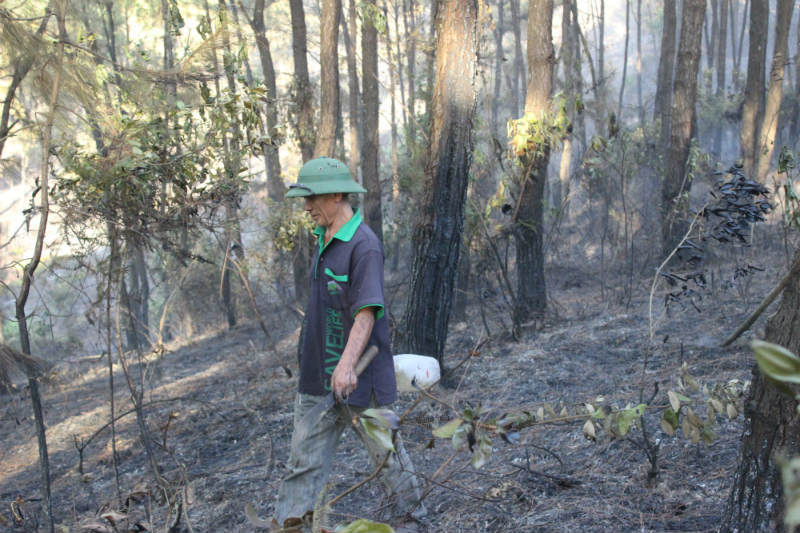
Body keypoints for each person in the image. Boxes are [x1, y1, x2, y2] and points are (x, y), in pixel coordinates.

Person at [273, 157, 425, 532]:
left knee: (389, 460)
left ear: (337, 194)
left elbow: (367, 312)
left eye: (312, 199)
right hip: (316, 382)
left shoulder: (364, 245)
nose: (306, 207)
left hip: (361, 381)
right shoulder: (323, 239)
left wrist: (345, 365)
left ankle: (417, 524)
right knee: (302, 464)